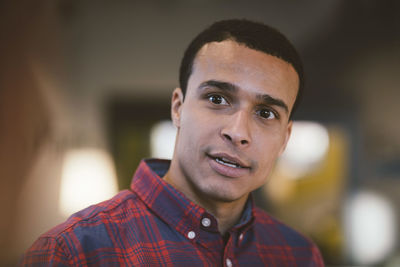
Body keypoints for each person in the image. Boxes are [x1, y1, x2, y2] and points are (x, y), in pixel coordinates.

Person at [20, 19, 324, 266]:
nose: (238, 132)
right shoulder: (74, 253)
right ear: (177, 108)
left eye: (266, 113)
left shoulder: (298, 255)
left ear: (285, 138)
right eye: (217, 99)